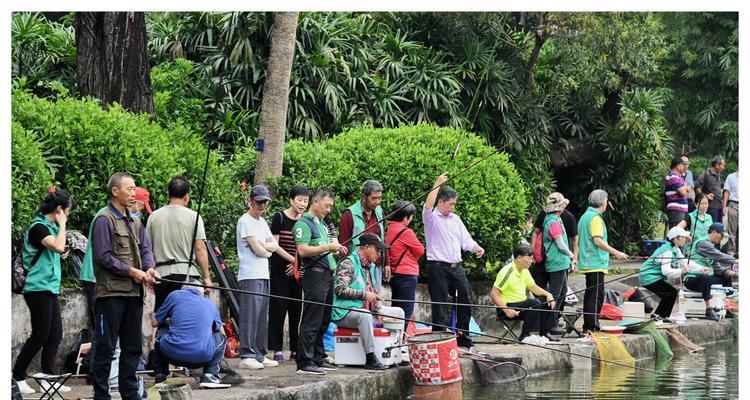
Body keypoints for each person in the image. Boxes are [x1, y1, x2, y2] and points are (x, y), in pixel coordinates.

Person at [90, 172, 160, 400]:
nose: (133, 192)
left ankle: (130, 394)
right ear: (115, 191)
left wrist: (149, 268)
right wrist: (133, 272)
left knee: (132, 348)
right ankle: (102, 396)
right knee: (105, 348)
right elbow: (103, 257)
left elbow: (146, 250)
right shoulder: (104, 219)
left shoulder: (136, 220)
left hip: (133, 294)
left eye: (134, 188)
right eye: (129, 188)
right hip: (111, 295)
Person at [12, 190, 76, 395]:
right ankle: (17, 377)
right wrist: (63, 226)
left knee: (55, 334)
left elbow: (57, 249)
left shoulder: (50, 228)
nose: (68, 216)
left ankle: (48, 378)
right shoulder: (38, 227)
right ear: (60, 210)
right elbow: (56, 247)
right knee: (40, 334)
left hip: (49, 286)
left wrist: (63, 247)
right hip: (36, 287)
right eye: (67, 212)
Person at [423, 173, 484, 349]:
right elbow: (427, 206)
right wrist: (437, 184)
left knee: (464, 302)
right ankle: (440, 340)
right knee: (440, 306)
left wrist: (476, 248)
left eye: (454, 204)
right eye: (450, 204)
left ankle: (463, 338)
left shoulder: (455, 219)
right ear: (441, 202)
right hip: (438, 267)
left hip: (456, 267)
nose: (452, 207)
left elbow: (466, 240)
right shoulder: (431, 218)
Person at [293, 187, 347, 375]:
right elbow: (302, 250)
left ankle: (317, 357)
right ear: (315, 202)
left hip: (328, 275)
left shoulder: (322, 224)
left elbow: (326, 248)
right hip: (314, 275)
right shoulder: (304, 224)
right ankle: (304, 361)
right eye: (327, 205)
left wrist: (336, 249)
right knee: (311, 319)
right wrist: (328, 247)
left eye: (331, 206)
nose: (329, 209)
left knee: (324, 319)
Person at [332, 233, 405, 370]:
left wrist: (378, 308)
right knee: (364, 315)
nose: (379, 254)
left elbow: (372, 291)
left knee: (398, 312)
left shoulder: (370, 266)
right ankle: (370, 357)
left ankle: (396, 354)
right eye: (377, 250)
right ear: (366, 248)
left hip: (366, 309)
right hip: (344, 312)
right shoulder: (348, 263)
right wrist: (364, 295)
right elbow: (339, 289)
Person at [146, 176, 213, 314]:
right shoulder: (194, 217)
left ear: (168, 194)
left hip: (161, 276)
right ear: (187, 197)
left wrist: (149, 273)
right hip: (186, 275)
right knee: (184, 318)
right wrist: (206, 277)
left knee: (162, 318)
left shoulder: (154, 216)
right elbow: (200, 248)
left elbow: (147, 249)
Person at [235, 184, 279, 370]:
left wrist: (266, 248)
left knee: (261, 315)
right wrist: (266, 249)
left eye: (265, 202)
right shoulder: (245, 221)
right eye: (259, 202)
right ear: (250, 201)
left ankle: (259, 353)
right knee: (250, 315)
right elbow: (260, 250)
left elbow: (272, 245)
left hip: (263, 273)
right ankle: (246, 354)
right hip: (250, 274)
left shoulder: (262, 222)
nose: (262, 206)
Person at [151, 286, 230, 388]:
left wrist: (169, 321)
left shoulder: (175, 295)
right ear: (200, 293)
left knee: (161, 328)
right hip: (202, 357)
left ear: (183, 289)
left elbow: (155, 323)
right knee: (221, 337)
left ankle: (160, 375)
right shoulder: (210, 304)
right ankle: (210, 375)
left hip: (171, 354)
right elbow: (222, 333)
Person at [577, 189, 629, 334]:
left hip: (590, 262)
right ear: (602, 202)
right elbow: (598, 241)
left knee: (592, 294)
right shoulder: (595, 218)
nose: (607, 204)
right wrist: (616, 253)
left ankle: (589, 326)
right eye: (606, 201)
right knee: (595, 296)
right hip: (595, 263)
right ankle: (591, 327)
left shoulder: (584, 217)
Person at [268, 185, 309, 363]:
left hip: (297, 271)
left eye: (305, 200)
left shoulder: (306, 221)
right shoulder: (279, 218)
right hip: (280, 269)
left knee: (296, 309)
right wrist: (293, 261)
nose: (302, 204)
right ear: (291, 200)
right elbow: (274, 245)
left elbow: (305, 246)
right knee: (278, 308)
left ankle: (294, 348)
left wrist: (297, 264)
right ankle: (277, 348)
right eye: (299, 200)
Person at [489, 244, 556, 344]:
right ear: (519, 258)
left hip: (522, 305)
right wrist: (507, 310)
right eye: (529, 258)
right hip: (507, 307)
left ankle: (544, 333)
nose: (531, 261)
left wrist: (548, 295)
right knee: (534, 303)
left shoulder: (525, 270)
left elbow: (533, 287)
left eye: (532, 258)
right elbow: (494, 294)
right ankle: (526, 335)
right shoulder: (507, 271)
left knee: (547, 302)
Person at [639, 227, 701, 322]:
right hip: (648, 277)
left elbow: (684, 262)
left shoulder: (675, 249)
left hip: (653, 277)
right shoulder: (667, 251)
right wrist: (681, 272)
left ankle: (658, 316)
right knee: (670, 292)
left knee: (668, 293)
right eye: (683, 237)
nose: (685, 239)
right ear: (676, 238)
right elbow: (666, 271)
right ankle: (661, 317)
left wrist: (701, 269)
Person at [339, 180, 389, 293]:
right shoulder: (349, 214)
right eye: (374, 198)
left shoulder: (380, 212)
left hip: (376, 266)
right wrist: (346, 269)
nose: (377, 201)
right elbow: (343, 244)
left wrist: (387, 264)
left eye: (380, 198)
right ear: (364, 197)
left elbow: (383, 238)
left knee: (376, 302)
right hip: (357, 266)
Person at [539, 193, 575, 340]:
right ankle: (548, 327)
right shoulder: (553, 222)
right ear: (559, 208)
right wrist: (572, 256)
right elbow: (560, 245)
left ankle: (553, 322)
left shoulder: (554, 219)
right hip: (557, 263)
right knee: (555, 295)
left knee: (562, 292)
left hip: (561, 262)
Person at [684, 223, 737, 321]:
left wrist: (729, 273)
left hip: (706, 279)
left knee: (726, 277)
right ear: (713, 232)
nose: (722, 239)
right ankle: (709, 309)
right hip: (692, 279)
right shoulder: (703, 243)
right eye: (722, 236)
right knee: (705, 276)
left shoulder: (711, 246)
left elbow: (715, 267)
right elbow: (719, 256)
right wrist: (735, 260)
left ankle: (728, 307)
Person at [384, 200, 424, 323]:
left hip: (395, 274)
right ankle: (401, 339)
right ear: (405, 217)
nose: (411, 219)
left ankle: (395, 339)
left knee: (396, 310)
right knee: (406, 311)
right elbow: (420, 251)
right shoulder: (406, 232)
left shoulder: (388, 229)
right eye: (411, 216)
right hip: (407, 274)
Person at [695, 156, 725, 223]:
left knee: (719, 227)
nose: (723, 167)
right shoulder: (707, 173)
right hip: (711, 206)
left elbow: (721, 186)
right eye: (723, 165)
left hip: (719, 205)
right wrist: (705, 196)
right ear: (717, 165)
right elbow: (696, 185)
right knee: (712, 226)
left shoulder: (718, 174)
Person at [664, 156, 691, 228]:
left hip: (682, 209)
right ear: (678, 165)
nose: (685, 167)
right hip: (676, 209)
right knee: (676, 232)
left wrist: (685, 188)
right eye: (683, 164)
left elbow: (687, 190)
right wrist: (685, 188)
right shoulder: (672, 176)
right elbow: (682, 192)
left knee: (681, 233)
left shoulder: (680, 177)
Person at [722, 169, 739, 256]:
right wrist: (724, 206)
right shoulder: (731, 176)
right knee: (732, 229)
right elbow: (726, 192)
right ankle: (731, 252)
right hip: (734, 204)